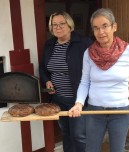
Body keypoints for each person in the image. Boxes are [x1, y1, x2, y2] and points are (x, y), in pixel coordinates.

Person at [68, 8, 129, 152]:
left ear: (114, 27)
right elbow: (84, 82)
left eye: (104, 26)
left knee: (117, 150)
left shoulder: (128, 50)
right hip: (94, 112)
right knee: (91, 149)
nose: (100, 32)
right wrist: (79, 103)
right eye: (96, 28)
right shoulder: (88, 53)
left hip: (120, 112)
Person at [39, 11, 93, 152]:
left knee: (79, 135)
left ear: (70, 25)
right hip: (58, 99)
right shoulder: (50, 44)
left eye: (62, 23)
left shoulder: (84, 43)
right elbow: (43, 68)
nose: (58, 27)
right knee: (66, 133)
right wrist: (47, 81)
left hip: (77, 100)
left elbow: (94, 69)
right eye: (54, 25)